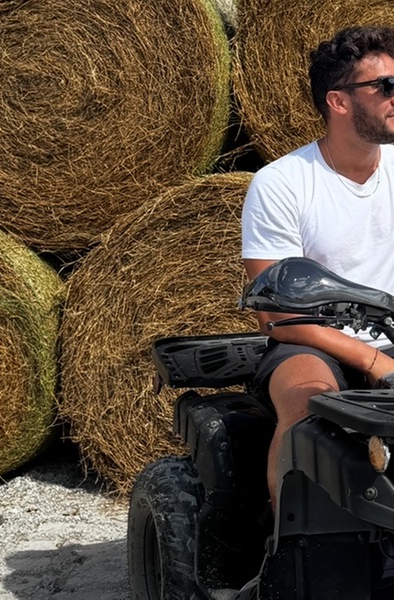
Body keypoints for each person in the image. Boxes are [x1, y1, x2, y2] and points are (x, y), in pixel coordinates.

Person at [241, 25, 394, 509]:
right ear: (339, 101)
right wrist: (373, 360)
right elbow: (277, 315)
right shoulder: (282, 183)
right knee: (308, 410)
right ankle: (291, 544)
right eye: (386, 86)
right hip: (311, 342)